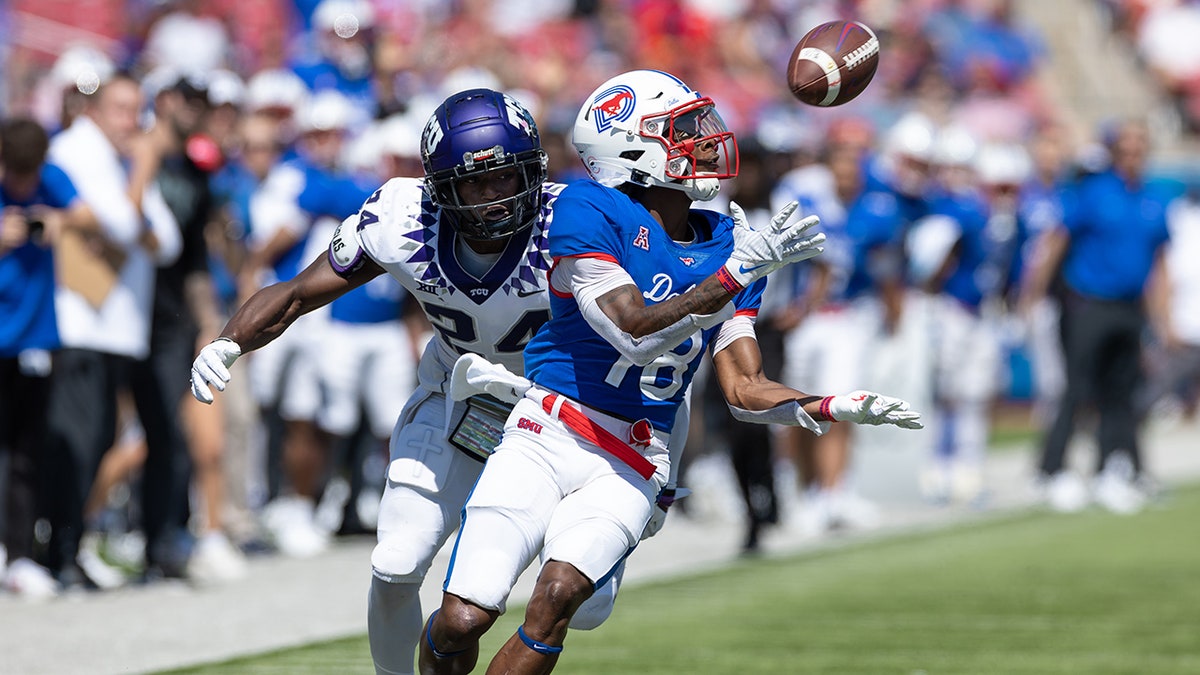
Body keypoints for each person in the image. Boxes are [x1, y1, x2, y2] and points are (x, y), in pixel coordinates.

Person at [418, 69, 922, 675]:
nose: (709, 139)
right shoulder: (588, 206)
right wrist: (736, 272)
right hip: (547, 433)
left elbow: (743, 389)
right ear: (630, 148)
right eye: (685, 129)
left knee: (554, 601)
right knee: (463, 618)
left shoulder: (730, 240)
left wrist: (824, 405)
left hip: (635, 459)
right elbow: (633, 331)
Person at [190, 88, 641, 675]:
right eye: (476, 184)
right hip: (464, 401)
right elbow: (299, 293)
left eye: (509, 178)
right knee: (396, 562)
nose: (497, 198)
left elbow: (656, 320)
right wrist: (229, 340)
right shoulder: (404, 218)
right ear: (439, 187)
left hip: (567, 415)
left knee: (584, 607)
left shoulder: (577, 220)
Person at [45, 71, 184, 589]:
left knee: (98, 438)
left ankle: (71, 547)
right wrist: (142, 174)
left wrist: (133, 197)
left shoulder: (117, 162)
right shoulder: (76, 151)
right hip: (82, 320)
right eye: (124, 109)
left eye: (138, 110)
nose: (136, 121)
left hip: (117, 327)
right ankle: (56, 552)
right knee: (77, 441)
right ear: (95, 112)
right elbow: (128, 227)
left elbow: (162, 240)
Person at [1020, 118, 1172, 515]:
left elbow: (1158, 263)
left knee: (1120, 393)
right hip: (1090, 301)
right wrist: (1034, 293)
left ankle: (1110, 469)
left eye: (1139, 149)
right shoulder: (1094, 192)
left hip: (1130, 306)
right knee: (1077, 388)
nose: (1133, 156)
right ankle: (1053, 469)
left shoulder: (1154, 198)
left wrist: (1162, 316)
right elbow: (1057, 241)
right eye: (1126, 149)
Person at [0, 116, 93, 599]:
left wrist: (56, 219)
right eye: (16, 174)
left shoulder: (50, 178)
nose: (23, 183)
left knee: (26, 454)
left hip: (36, 337)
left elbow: (88, 215)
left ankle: (16, 556)